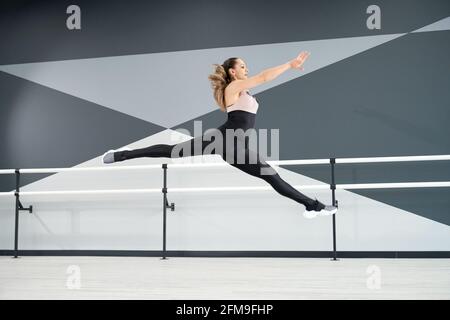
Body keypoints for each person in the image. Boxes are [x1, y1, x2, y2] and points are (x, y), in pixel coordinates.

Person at [102, 52, 337, 217]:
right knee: (173, 152)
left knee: (272, 178)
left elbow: (258, 82)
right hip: (224, 140)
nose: (247, 69)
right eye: (243, 66)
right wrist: (290, 64)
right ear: (233, 72)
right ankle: (120, 155)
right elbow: (265, 77)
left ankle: (311, 206)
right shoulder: (232, 88)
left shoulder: (242, 90)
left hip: (237, 148)